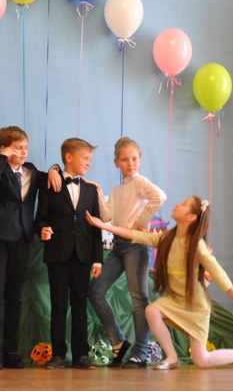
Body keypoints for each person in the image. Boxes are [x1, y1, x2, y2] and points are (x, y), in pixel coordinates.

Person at [86, 196, 233, 370]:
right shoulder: (168, 239)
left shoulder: (197, 246)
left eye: (183, 204)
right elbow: (135, 235)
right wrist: (103, 225)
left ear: (191, 217)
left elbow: (218, 272)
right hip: (175, 301)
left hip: (195, 306)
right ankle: (172, 357)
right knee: (152, 310)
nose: (177, 204)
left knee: (202, 360)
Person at [0, 126, 61, 370]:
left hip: (22, 239)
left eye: (25, 147)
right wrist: (2, 157)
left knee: (14, 298)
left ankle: (11, 352)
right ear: (4, 148)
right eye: (18, 147)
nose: (24, 152)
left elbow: (51, 175)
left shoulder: (31, 171)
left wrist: (54, 169)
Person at [85, 137, 166, 368]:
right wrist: (99, 191)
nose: (130, 163)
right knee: (95, 291)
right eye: (124, 159)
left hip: (136, 246)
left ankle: (140, 352)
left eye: (134, 159)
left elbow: (159, 196)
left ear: (140, 161)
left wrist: (141, 221)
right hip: (118, 246)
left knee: (139, 299)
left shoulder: (140, 182)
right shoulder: (117, 190)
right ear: (116, 162)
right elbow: (107, 216)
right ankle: (119, 342)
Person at [35, 138, 103, 370]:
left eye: (90, 159)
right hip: (57, 254)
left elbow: (96, 227)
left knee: (80, 305)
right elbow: (40, 218)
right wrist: (42, 229)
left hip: (83, 256)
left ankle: (81, 355)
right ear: (69, 157)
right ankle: (58, 355)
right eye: (85, 158)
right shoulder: (49, 185)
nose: (89, 163)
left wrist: (98, 259)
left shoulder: (92, 190)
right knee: (58, 305)